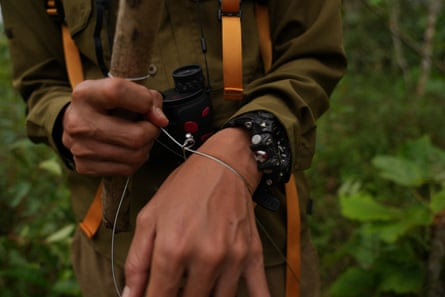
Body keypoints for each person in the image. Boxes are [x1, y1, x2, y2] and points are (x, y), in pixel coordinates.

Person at [1, 0, 346, 296]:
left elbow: (312, 53)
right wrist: (67, 123)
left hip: (259, 243)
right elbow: (40, 82)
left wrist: (241, 150)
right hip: (111, 253)